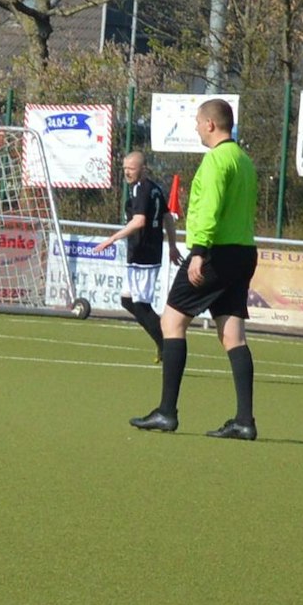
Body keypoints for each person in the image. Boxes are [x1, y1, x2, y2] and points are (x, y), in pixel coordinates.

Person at [132, 99, 259, 439]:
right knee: (232, 334)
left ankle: (166, 412)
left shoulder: (216, 160)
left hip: (215, 251)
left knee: (172, 321)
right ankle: (244, 421)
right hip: (243, 251)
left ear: (210, 125)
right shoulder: (243, 160)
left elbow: (210, 209)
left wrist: (199, 251)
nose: (195, 128)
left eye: (197, 123)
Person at [94, 150, 180, 357]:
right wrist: (172, 246)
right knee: (127, 300)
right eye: (124, 168)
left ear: (143, 169)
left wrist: (112, 238)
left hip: (144, 252)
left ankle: (168, 346)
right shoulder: (155, 189)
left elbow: (139, 220)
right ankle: (164, 343)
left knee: (141, 305)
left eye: (131, 169)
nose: (127, 173)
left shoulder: (141, 189)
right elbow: (168, 218)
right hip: (144, 252)